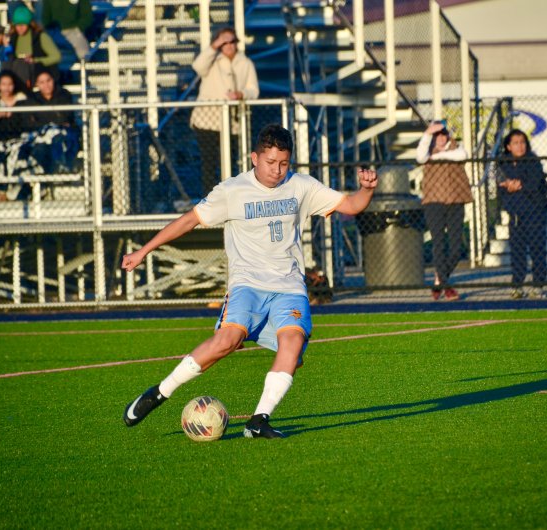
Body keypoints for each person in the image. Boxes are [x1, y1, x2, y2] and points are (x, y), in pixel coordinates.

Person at [122, 124, 378, 438]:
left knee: (293, 347)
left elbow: (351, 205)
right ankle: (159, 392)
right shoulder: (232, 191)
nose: (277, 170)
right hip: (247, 284)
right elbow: (189, 220)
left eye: (284, 163)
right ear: (254, 158)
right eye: (271, 163)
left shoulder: (301, 185)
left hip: (288, 286)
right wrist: (144, 251)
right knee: (227, 341)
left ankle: (258, 421)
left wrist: (366, 190)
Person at [190, 27, 259, 196]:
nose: (229, 45)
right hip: (207, 122)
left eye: (232, 41)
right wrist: (214, 47)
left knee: (232, 161)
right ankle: (209, 200)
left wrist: (241, 94)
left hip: (232, 124)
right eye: (224, 42)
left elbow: (253, 90)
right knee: (209, 162)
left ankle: (232, 197)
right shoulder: (211, 61)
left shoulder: (246, 63)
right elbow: (198, 66)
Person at [416, 121, 473, 301]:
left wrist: (438, 156)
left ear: (447, 136)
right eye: (436, 135)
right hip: (434, 202)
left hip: (456, 201)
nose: (439, 138)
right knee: (439, 243)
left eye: (442, 134)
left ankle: (439, 280)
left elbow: (461, 155)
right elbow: (420, 157)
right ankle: (447, 287)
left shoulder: (457, 149)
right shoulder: (427, 149)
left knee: (456, 247)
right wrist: (427, 133)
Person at [497, 129, 547, 299]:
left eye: (523, 142)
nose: (520, 146)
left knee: (537, 249)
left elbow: (533, 183)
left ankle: (538, 285)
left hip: (534, 211)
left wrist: (516, 184)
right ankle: (517, 285)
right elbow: (500, 183)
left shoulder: (533, 161)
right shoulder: (503, 162)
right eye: (516, 143)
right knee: (517, 251)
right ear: (508, 146)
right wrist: (510, 184)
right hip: (515, 213)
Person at [0, 70, 32, 199]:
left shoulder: (21, 101)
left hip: (18, 141)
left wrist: (11, 116)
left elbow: (24, 125)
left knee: (19, 154)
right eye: (3, 84)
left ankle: (15, 192)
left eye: (9, 84)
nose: (6, 87)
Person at [25, 67, 79, 174]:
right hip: (42, 135)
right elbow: (31, 122)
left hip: (64, 134)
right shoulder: (33, 98)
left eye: (48, 80)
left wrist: (44, 118)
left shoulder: (64, 94)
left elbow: (65, 118)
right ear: (37, 84)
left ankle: (62, 169)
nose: (46, 85)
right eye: (42, 82)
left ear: (53, 80)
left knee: (59, 140)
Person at [4, 4, 61, 88]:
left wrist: (35, 60)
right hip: (17, 70)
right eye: (17, 25)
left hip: (36, 71)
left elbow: (56, 56)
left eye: (23, 25)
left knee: (22, 65)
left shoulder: (40, 36)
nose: (20, 28)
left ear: (29, 24)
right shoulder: (12, 38)